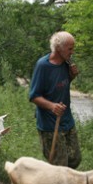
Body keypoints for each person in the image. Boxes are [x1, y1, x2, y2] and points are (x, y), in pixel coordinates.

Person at [28, 31, 82, 168]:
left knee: (75, 159)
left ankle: (60, 183)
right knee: (60, 164)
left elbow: (59, 86)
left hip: (67, 120)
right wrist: (52, 106)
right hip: (50, 124)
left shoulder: (67, 64)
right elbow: (34, 96)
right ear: (59, 48)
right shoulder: (43, 66)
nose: (72, 52)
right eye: (70, 48)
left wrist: (71, 76)